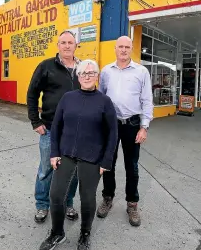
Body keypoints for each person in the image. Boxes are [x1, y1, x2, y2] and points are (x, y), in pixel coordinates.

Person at [39, 59, 118, 250]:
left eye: (91, 73)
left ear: (97, 76)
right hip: (66, 153)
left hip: (92, 156)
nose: (87, 76)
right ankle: (57, 233)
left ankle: (84, 234)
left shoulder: (105, 102)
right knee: (56, 195)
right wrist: (54, 153)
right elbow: (56, 127)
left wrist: (106, 161)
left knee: (87, 198)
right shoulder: (68, 98)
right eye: (83, 73)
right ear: (78, 76)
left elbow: (112, 134)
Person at [96, 35, 154, 227]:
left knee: (132, 166)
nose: (123, 50)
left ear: (131, 49)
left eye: (126, 47)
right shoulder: (106, 71)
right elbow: (101, 98)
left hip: (132, 124)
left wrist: (144, 127)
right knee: (108, 163)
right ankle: (107, 198)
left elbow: (147, 100)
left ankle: (132, 203)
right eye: (120, 47)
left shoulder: (141, 71)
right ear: (115, 49)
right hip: (111, 124)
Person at [27, 31, 81, 223]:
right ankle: (42, 205)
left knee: (73, 171)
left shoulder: (82, 69)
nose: (67, 46)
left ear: (76, 46)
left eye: (70, 43)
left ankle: (68, 203)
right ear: (58, 45)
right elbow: (32, 93)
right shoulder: (46, 66)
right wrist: (35, 121)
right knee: (46, 169)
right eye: (63, 43)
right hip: (50, 129)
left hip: (76, 132)